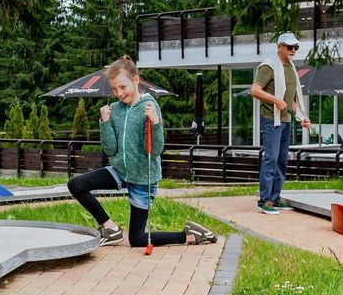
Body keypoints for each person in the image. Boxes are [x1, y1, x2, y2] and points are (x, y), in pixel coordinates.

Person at [67, 56, 217, 248]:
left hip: (143, 177)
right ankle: (110, 228)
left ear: (136, 80)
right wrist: (105, 123)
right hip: (120, 170)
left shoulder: (149, 106)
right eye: (114, 89)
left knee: (137, 240)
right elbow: (110, 149)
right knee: (76, 185)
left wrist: (155, 123)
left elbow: (155, 151)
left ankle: (189, 236)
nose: (119, 93)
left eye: (123, 87)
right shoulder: (115, 110)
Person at [250, 32, 312, 214]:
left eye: (296, 47)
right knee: (271, 158)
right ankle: (264, 201)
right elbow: (254, 90)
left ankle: (275, 198)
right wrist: (275, 100)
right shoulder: (268, 66)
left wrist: (302, 116)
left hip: (286, 121)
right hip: (271, 120)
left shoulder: (291, 68)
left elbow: (290, 98)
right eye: (290, 47)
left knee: (282, 160)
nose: (293, 50)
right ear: (279, 47)